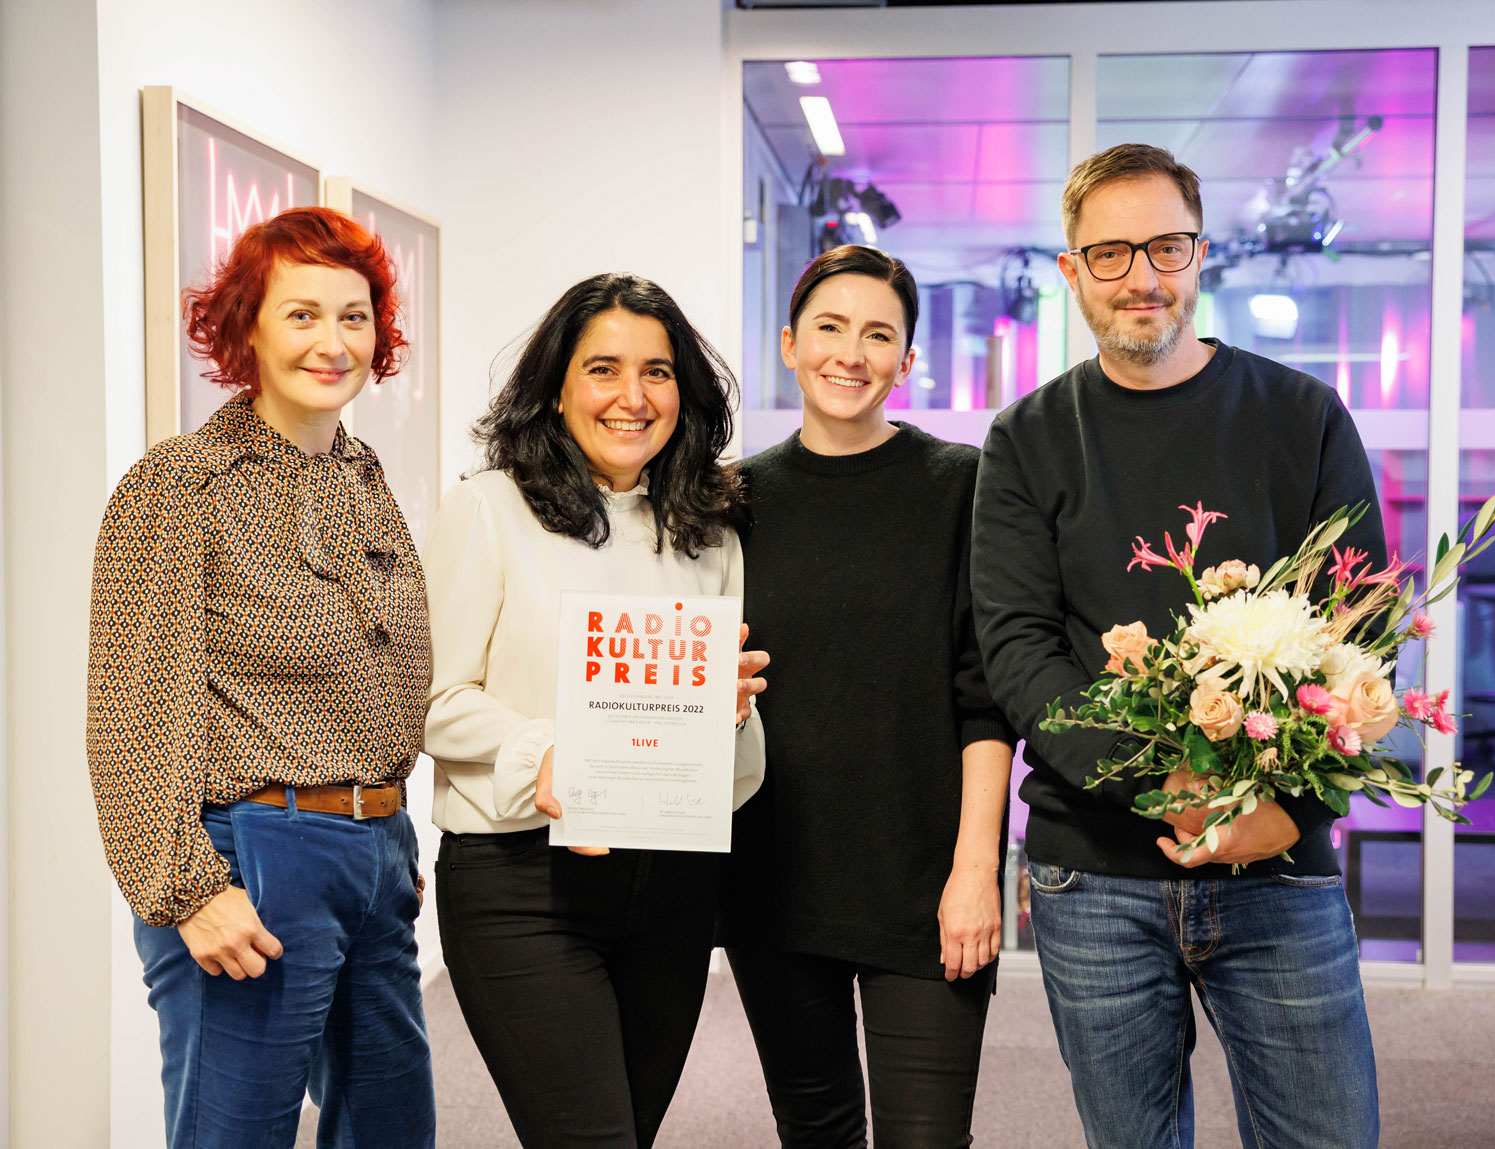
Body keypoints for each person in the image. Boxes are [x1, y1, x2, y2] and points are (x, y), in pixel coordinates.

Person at [971, 144, 1385, 1149]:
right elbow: (1019, 649)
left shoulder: (1300, 417)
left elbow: (1360, 628)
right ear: (1070, 273)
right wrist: (1170, 792)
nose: (1141, 277)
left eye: (1164, 246)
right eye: (1109, 254)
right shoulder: (1027, 438)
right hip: (1092, 875)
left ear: (1201, 256)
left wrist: (1286, 810)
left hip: (1275, 860)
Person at [87, 206, 435, 1148]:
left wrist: (392, 849)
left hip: (373, 851)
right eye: (303, 315)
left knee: (394, 1129)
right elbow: (133, 710)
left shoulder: (364, 476)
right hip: (249, 856)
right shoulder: (178, 484)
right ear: (246, 327)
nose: (334, 342)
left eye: (355, 316)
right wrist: (187, 887)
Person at [422, 272, 767, 1148]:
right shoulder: (488, 510)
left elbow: (735, 770)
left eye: (657, 371)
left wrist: (723, 713)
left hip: (673, 892)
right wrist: (545, 750)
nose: (632, 396)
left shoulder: (709, 529)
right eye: (604, 368)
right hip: (522, 885)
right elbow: (431, 698)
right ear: (558, 386)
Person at [721, 245, 1015, 1149]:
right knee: (816, 1133)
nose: (851, 353)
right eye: (830, 329)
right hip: (775, 879)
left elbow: (985, 699)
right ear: (789, 343)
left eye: (878, 335)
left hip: (925, 881)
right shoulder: (732, 497)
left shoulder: (962, 485)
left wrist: (976, 871)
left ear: (907, 360)